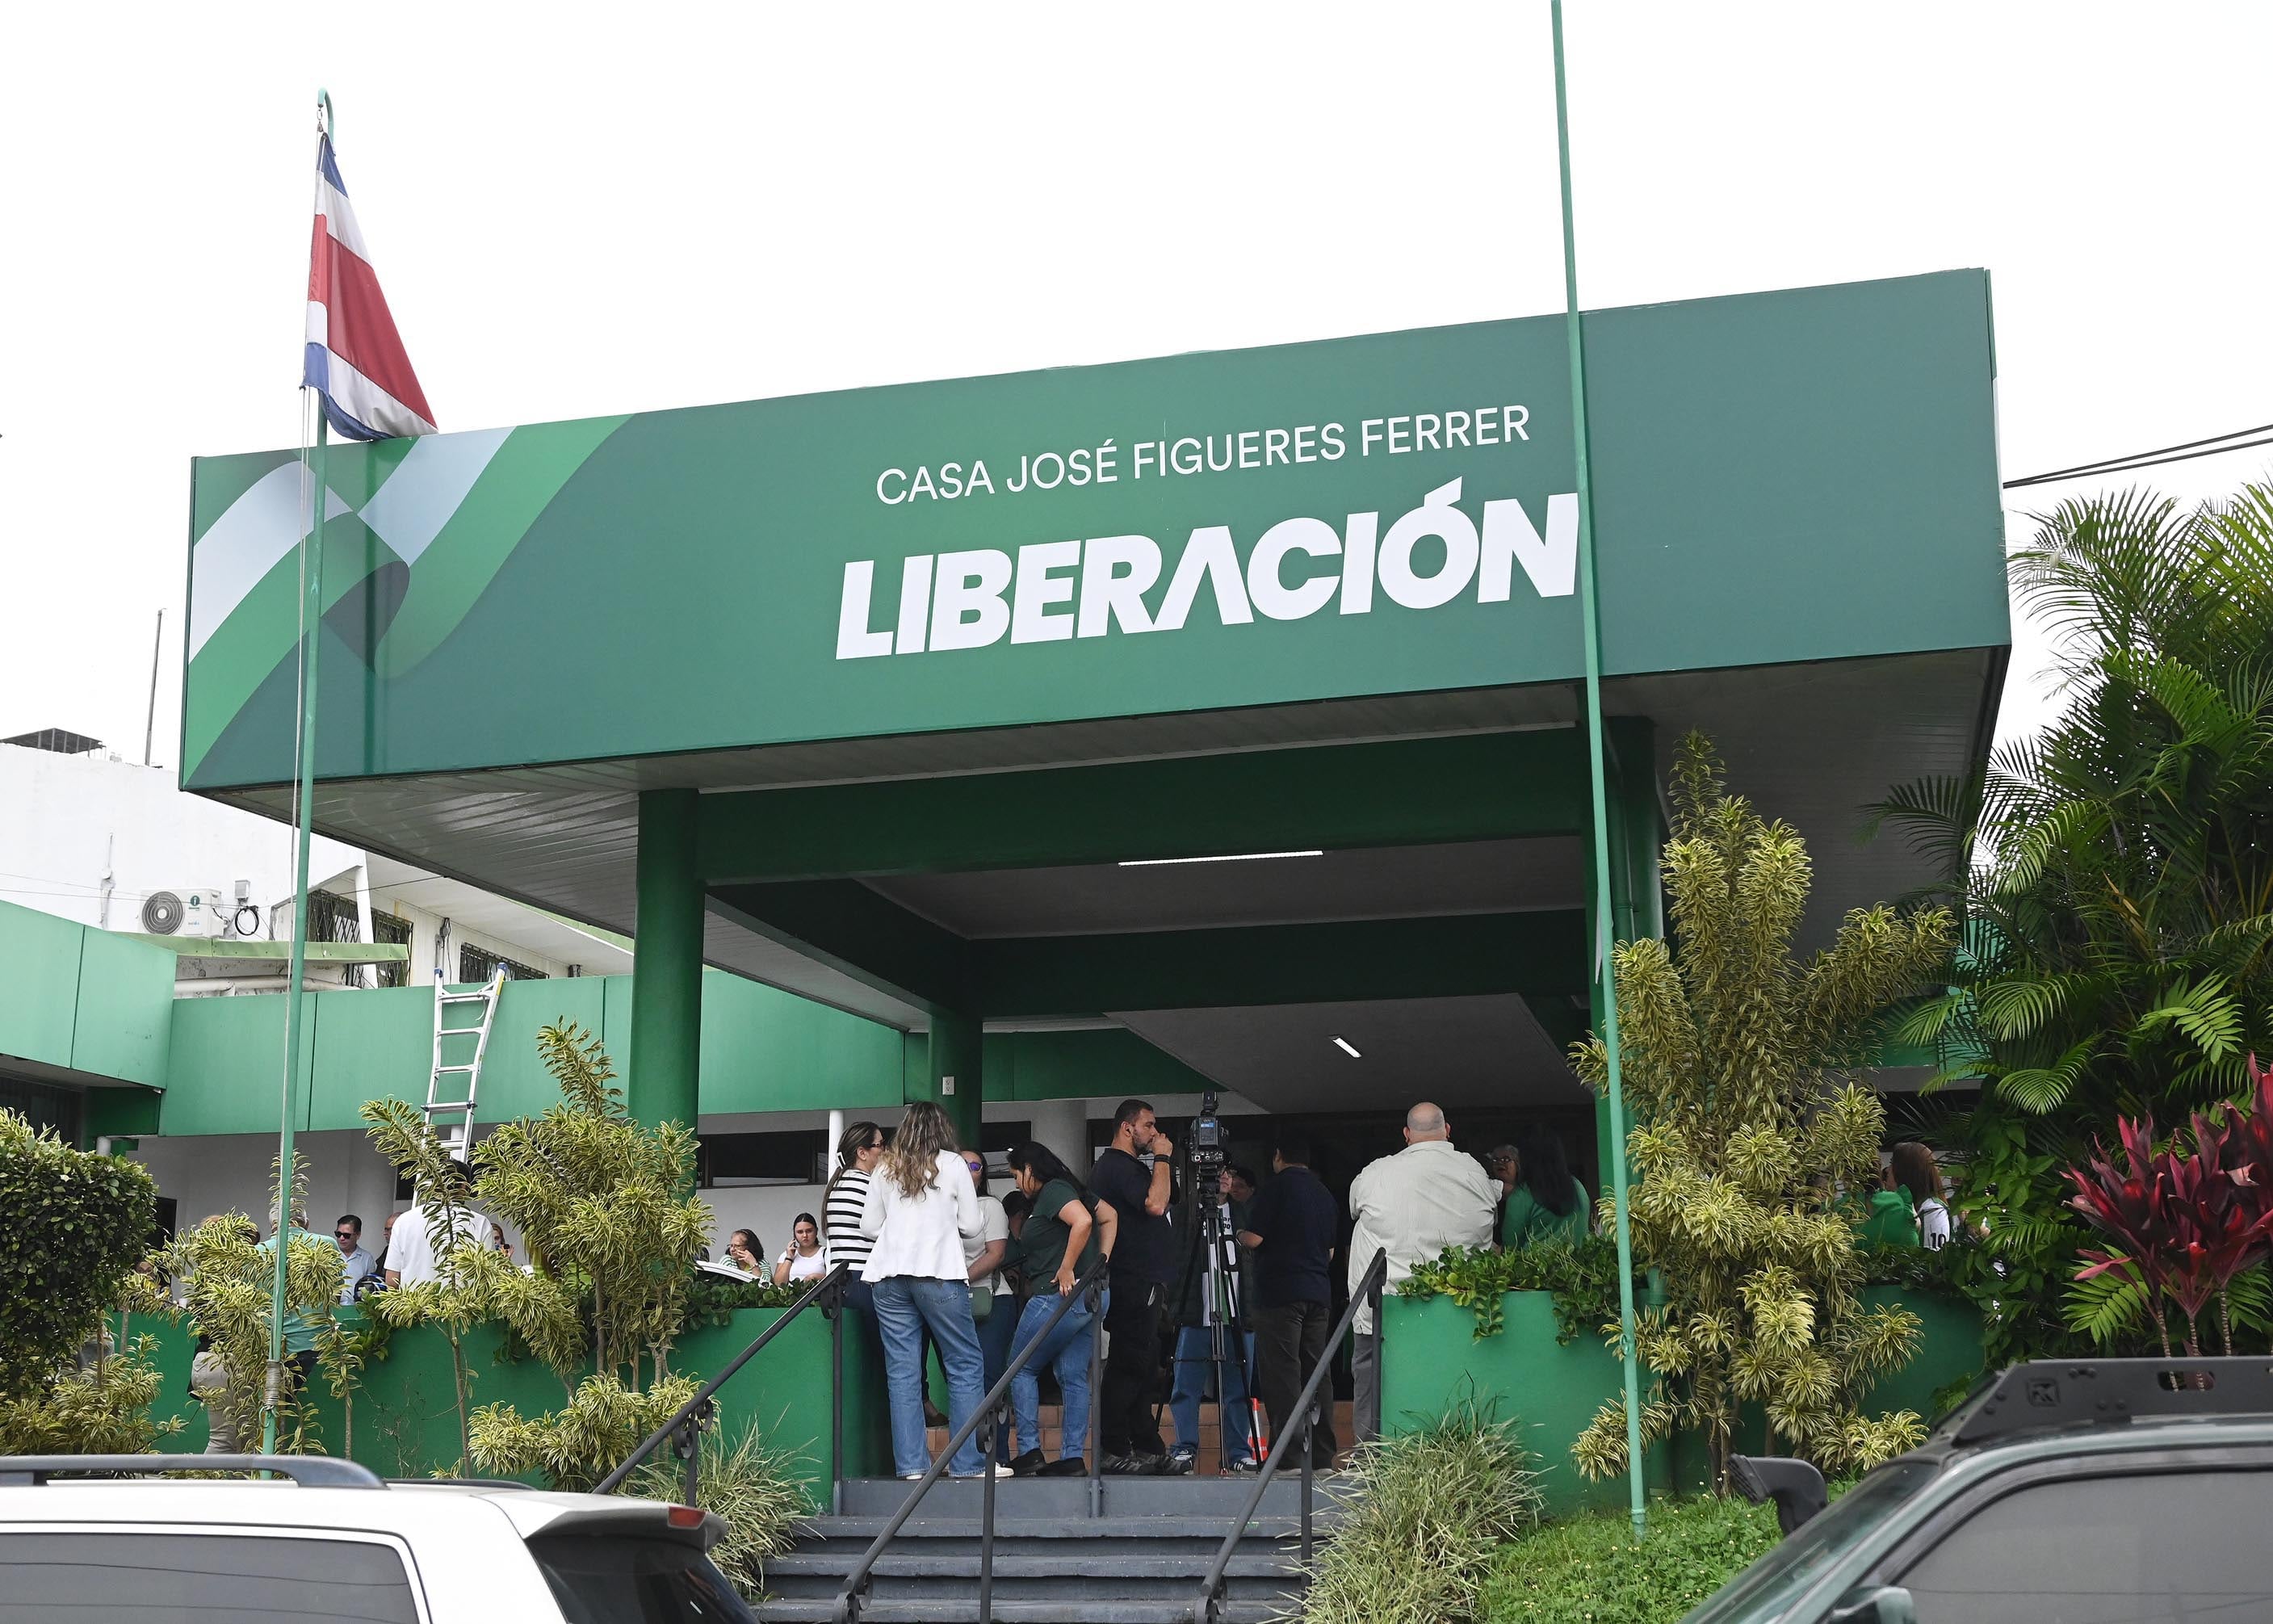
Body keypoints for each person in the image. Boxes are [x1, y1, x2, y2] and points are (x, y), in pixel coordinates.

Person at [858, 1102, 1006, 1480]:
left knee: (903, 1373)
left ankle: (911, 1467)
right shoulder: (953, 1164)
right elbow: (973, 1227)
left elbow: (870, 1227)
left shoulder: (886, 1166)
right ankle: (967, 1464)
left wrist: (902, 1229)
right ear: (942, 1129)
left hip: (889, 1275)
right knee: (965, 1365)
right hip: (939, 1272)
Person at [1345, 1102, 1499, 1439]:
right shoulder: (1474, 1172)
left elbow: (1354, 1206)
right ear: (1447, 1131)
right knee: (1452, 1386)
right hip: (1455, 1309)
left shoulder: (1377, 1173)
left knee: (1373, 1386)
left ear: (1406, 1135)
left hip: (1382, 1310)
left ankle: (1370, 1465)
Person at [1003, 1139, 1116, 1477]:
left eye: (1015, 1175)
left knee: (1020, 1369)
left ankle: (1029, 1451)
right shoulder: (1073, 1189)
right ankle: (1071, 1458)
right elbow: (1109, 1217)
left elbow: (1082, 1222)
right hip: (1091, 1295)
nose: (1016, 1183)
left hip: (1058, 1296)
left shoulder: (1053, 1190)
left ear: (1029, 1171)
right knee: (1072, 1377)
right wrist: (1100, 1264)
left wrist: (1068, 1267)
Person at [1239, 1135, 1340, 1471]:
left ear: (1278, 1156)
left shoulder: (1275, 1189)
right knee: (1317, 1372)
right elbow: (1329, 1253)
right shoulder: (1323, 1194)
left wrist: (1239, 1235)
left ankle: (1290, 1456)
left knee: (1283, 1373)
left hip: (1279, 1293)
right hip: (1317, 1292)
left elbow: (1255, 1238)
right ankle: (1324, 1454)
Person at [1090, 1097, 1177, 1473]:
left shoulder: (1129, 1167)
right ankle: (1112, 1447)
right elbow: (1156, 1204)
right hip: (1130, 1280)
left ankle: (1146, 1445)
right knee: (1128, 1364)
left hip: (1147, 1279)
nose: (1155, 1132)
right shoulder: (1116, 1167)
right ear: (1128, 1128)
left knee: (1144, 1364)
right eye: (1150, 1125)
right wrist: (1163, 1158)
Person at [1168, 1163, 1260, 1472]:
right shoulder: (1185, 1215)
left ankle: (1238, 1453)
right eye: (1214, 1173)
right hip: (1197, 1312)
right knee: (1186, 1385)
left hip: (1237, 1313)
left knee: (1238, 1388)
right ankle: (1184, 1449)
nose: (1221, 1178)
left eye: (1227, 1173)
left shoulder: (1245, 1213)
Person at [960, 1149, 1018, 1462]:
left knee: (990, 1379)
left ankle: (998, 1456)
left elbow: (995, 1255)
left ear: (983, 1173)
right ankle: (970, 1457)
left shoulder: (990, 1206)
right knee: (964, 1380)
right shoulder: (941, 1209)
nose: (968, 1170)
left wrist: (958, 1278)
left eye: (975, 1165)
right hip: (953, 1304)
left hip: (992, 1301)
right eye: (961, 1163)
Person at [260, 1203, 336, 1389]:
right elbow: (338, 1289)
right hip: (317, 1345)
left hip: (272, 1348)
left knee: (277, 1409)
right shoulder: (326, 1244)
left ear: (273, 1226)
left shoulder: (258, 1252)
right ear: (306, 1223)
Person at [383, 1164, 492, 1288]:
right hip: (462, 1305)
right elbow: (487, 1277)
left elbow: (392, 1280)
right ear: (464, 1187)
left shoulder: (403, 1221)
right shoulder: (480, 1223)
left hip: (414, 1305)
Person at [824, 1121, 886, 1310]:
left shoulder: (837, 1185)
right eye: (880, 1144)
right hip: (866, 1278)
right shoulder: (870, 1185)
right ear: (862, 1153)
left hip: (840, 1281)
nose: (885, 1150)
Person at [1499, 1126, 1591, 1250]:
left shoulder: (1522, 1195)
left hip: (1535, 1268)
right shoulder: (1578, 1187)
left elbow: (1510, 1247)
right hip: (1578, 1266)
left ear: (1525, 1158)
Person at [1891, 1141, 1952, 1249]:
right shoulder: (1906, 1204)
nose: (1888, 1170)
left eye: (1892, 1164)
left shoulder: (1933, 1210)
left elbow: (1934, 1257)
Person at [333, 1214, 379, 1303]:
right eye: (338, 1234)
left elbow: (371, 1288)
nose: (341, 1238)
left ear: (358, 1235)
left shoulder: (367, 1258)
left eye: (346, 1235)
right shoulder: (330, 1256)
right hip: (333, 1310)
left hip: (358, 1310)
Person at [774, 1214, 829, 1283]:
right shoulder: (786, 1255)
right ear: (794, 1234)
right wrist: (789, 1258)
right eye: (800, 1232)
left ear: (816, 1231)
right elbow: (778, 1284)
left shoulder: (826, 1253)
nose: (805, 1235)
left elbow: (835, 1279)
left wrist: (816, 1277)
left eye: (809, 1231)